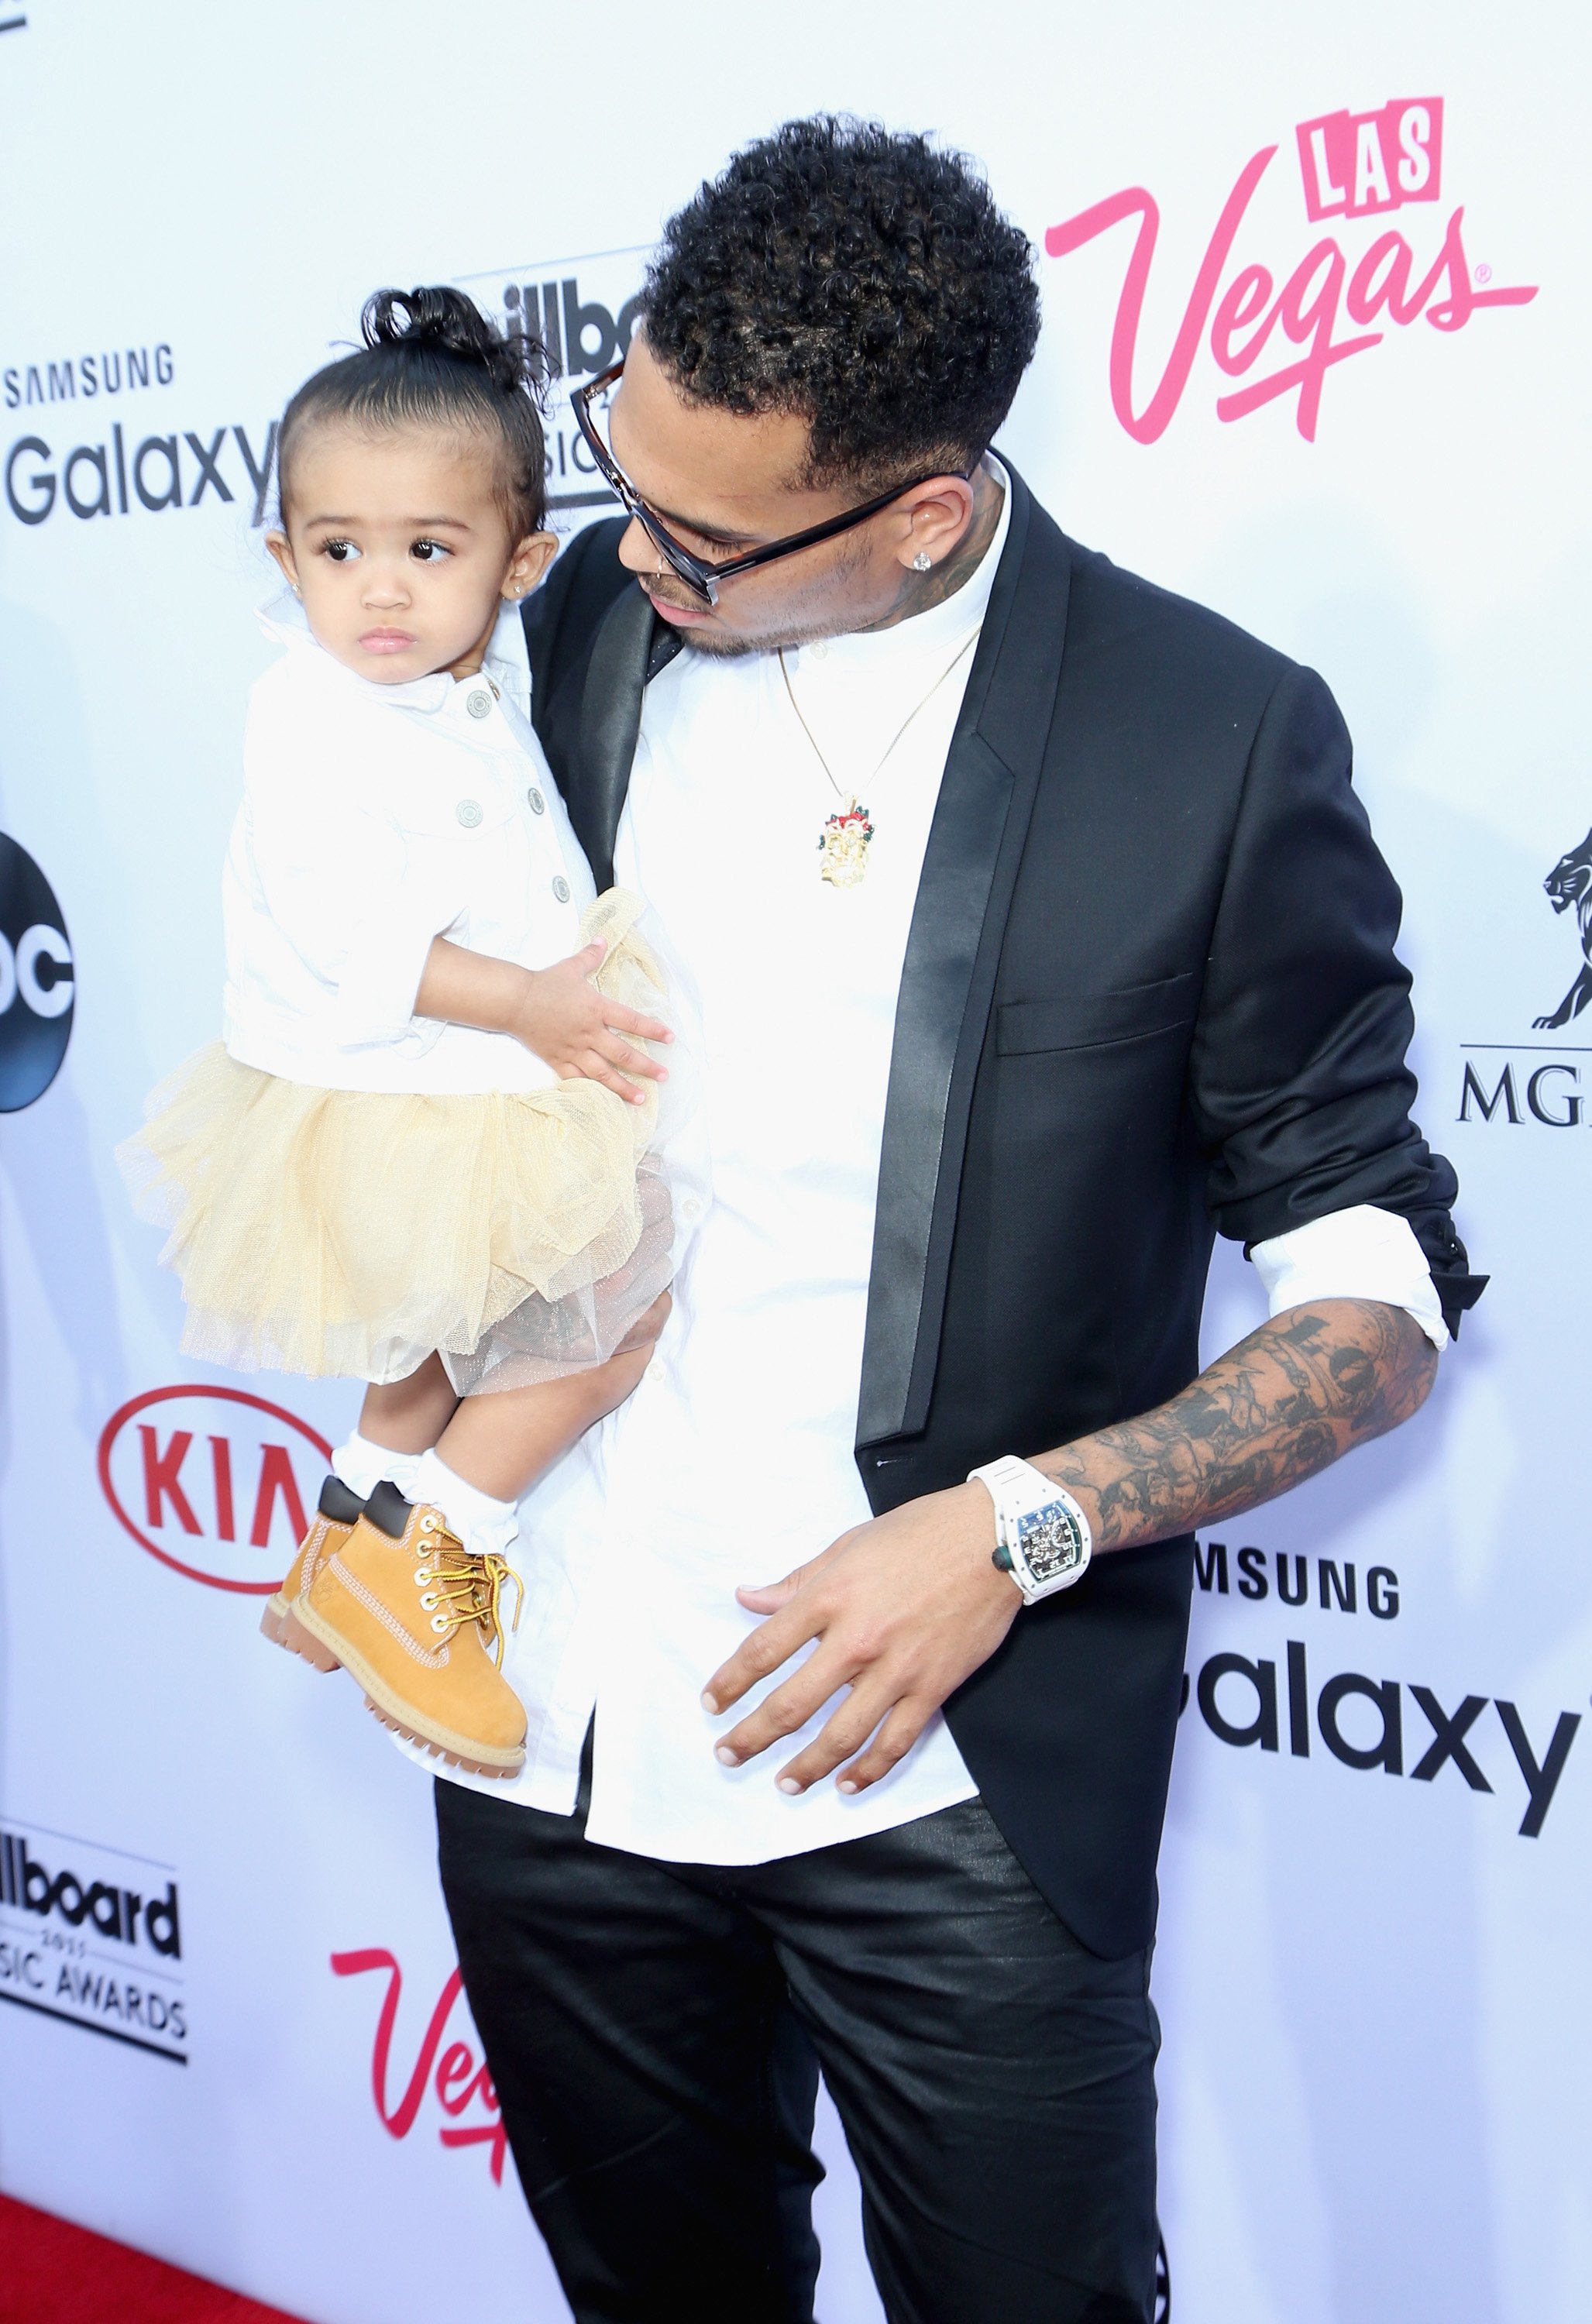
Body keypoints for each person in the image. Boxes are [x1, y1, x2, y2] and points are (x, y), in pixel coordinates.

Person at [432, 121, 1484, 2322]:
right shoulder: (568, 652)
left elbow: (1375, 1293)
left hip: (946, 1773)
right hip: (549, 1720)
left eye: (708, 542)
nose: (638, 561)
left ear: (922, 508)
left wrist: (1013, 1528)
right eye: (624, 480)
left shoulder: (1204, 740)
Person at [119, 287, 676, 1781]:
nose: (379, 591)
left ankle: (346, 1533)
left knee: (429, 1344)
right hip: (431, 1077)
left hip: (459, 1079)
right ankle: (433, 1554)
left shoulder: (467, 668)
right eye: (336, 550)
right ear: (282, 557)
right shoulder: (310, 715)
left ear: (521, 562)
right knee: (613, 1312)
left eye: (430, 552)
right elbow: (350, 931)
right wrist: (532, 1005)